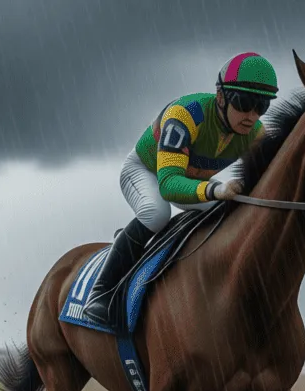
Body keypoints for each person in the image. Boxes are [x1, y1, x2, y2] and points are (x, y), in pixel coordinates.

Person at [81, 52, 279, 330]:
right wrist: (216, 189)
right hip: (147, 172)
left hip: (188, 179)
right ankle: (100, 292)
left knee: (232, 213)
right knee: (156, 213)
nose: (251, 116)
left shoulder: (256, 133)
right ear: (221, 97)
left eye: (261, 106)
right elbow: (169, 186)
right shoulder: (185, 115)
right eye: (244, 102)